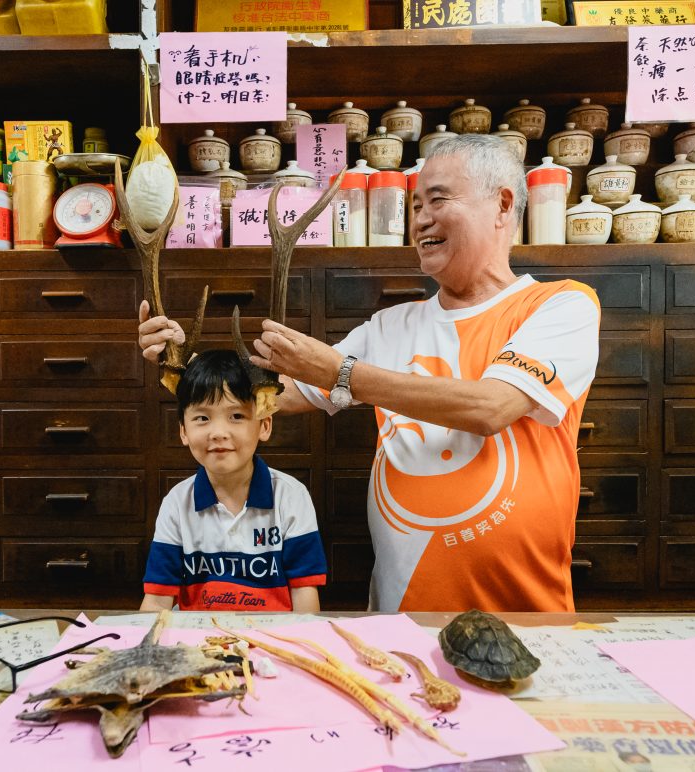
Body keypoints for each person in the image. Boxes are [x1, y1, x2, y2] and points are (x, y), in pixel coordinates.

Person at [139, 135, 600, 613]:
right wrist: (179, 368)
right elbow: (270, 397)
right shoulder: (388, 326)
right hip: (401, 618)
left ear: (502, 204)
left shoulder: (559, 305)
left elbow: (492, 406)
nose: (419, 219)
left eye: (438, 199)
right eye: (415, 204)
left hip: (526, 613)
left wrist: (342, 373)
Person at [140, 349, 327, 612]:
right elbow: (157, 601)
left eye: (236, 416)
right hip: (197, 645)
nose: (218, 433)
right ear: (183, 430)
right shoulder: (177, 503)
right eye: (202, 418)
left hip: (271, 644)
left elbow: (305, 598)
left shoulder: (291, 496)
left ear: (264, 425)